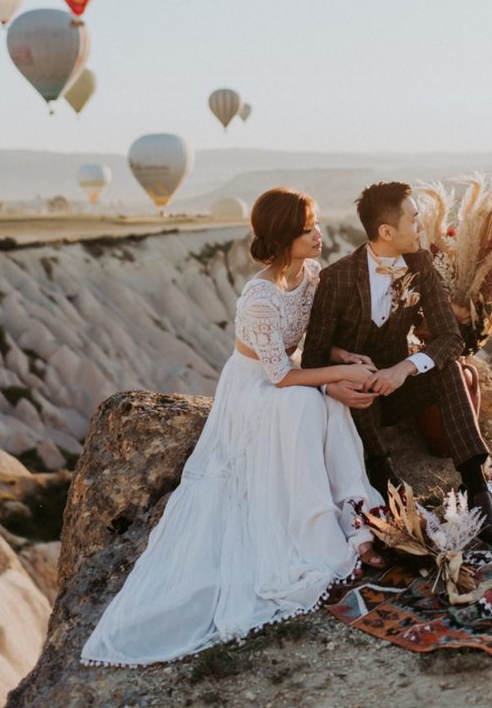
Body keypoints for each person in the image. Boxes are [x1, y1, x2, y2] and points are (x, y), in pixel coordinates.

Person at [81, 188, 384, 667]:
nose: (320, 235)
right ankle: (313, 530)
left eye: (317, 224)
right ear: (286, 237)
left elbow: (312, 345)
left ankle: (355, 513)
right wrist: (339, 376)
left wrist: (345, 359)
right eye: (309, 230)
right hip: (251, 389)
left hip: (286, 373)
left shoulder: (310, 275)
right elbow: (279, 375)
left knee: (328, 405)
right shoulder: (260, 297)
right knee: (306, 405)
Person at [302, 181, 492, 549]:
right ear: (386, 232)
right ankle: (385, 476)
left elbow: (451, 338)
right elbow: (313, 357)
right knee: (362, 379)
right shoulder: (336, 279)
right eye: (414, 220)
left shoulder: (420, 266)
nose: (420, 227)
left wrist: (405, 369)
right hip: (357, 400)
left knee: (446, 366)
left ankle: (478, 492)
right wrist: (335, 383)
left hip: (398, 388)